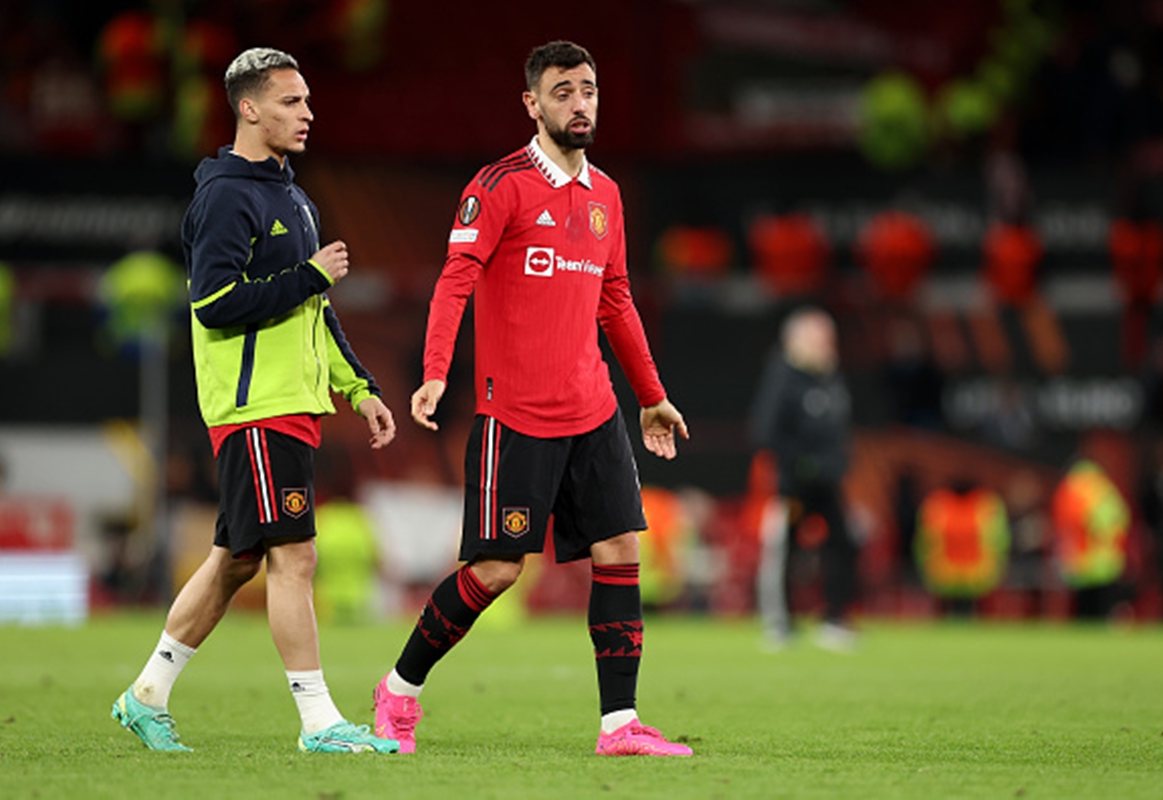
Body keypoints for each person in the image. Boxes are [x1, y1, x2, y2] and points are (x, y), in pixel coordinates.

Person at [370, 40, 693, 758]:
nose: (580, 104)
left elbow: (617, 303)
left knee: (619, 550)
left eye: (589, 90)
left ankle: (620, 726)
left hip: (595, 409)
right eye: (564, 92)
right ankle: (398, 691)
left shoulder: (606, 195)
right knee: (496, 570)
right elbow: (455, 280)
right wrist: (433, 372)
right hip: (514, 415)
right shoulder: (500, 186)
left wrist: (650, 396)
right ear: (533, 103)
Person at [111, 47, 399, 755]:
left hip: (292, 406)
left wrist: (359, 388)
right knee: (294, 557)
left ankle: (145, 695)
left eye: (306, 101)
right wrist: (305, 274)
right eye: (291, 102)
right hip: (253, 409)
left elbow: (316, 312)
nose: (307, 113)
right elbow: (214, 305)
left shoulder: (293, 196)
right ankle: (319, 722)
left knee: (236, 560)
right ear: (249, 108)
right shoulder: (224, 197)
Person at [750, 307, 859, 651]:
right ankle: (780, 623)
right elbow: (765, 429)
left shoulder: (830, 377)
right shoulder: (783, 376)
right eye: (818, 337)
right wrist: (800, 463)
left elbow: (840, 430)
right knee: (785, 549)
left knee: (843, 544)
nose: (827, 344)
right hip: (793, 483)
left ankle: (835, 620)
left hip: (828, 482)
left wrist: (837, 463)